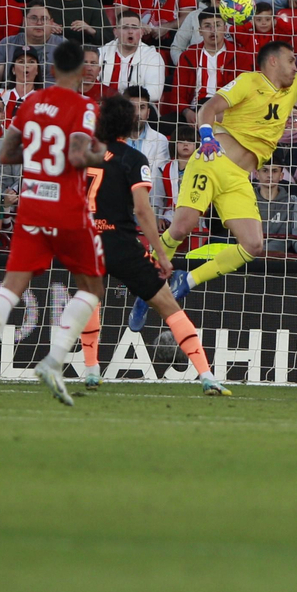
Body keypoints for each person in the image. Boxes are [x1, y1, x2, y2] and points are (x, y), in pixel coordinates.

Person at [131, 0, 297, 331]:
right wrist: (205, 136)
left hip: (240, 178)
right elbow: (209, 107)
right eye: (291, 60)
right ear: (273, 61)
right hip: (212, 161)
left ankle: (186, 280)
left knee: (253, 245)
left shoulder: (293, 88)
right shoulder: (249, 81)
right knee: (182, 227)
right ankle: (146, 291)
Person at [0, 41, 107, 408]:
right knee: (92, 285)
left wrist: (36, 154)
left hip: (31, 206)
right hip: (67, 208)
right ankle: (54, 360)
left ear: (51, 69)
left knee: (11, 285)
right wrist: (100, 154)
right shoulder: (84, 105)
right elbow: (78, 156)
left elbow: (6, 154)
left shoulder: (31, 102)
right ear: (82, 70)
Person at [83, 94, 231, 394]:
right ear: (130, 123)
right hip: (122, 244)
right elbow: (142, 210)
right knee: (167, 305)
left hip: (87, 242)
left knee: (90, 300)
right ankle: (206, 375)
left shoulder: (82, 155)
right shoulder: (133, 158)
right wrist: (161, 254)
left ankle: (91, 370)